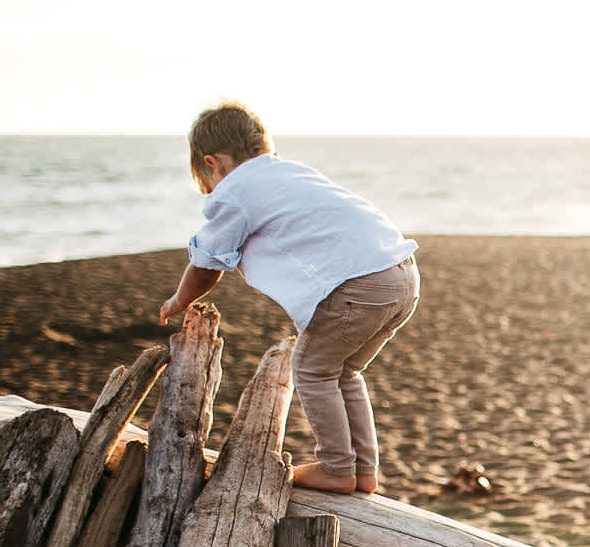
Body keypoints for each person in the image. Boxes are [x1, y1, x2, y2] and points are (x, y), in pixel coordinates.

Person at [158, 101, 420, 495]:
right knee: (342, 372)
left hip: (356, 285)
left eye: (207, 180)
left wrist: (179, 300)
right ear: (266, 149)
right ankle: (363, 471)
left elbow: (207, 262)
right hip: (401, 274)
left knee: (312, 369)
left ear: (214, 165)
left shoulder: (235, 190)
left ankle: (338, 468)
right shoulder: (291, 172)